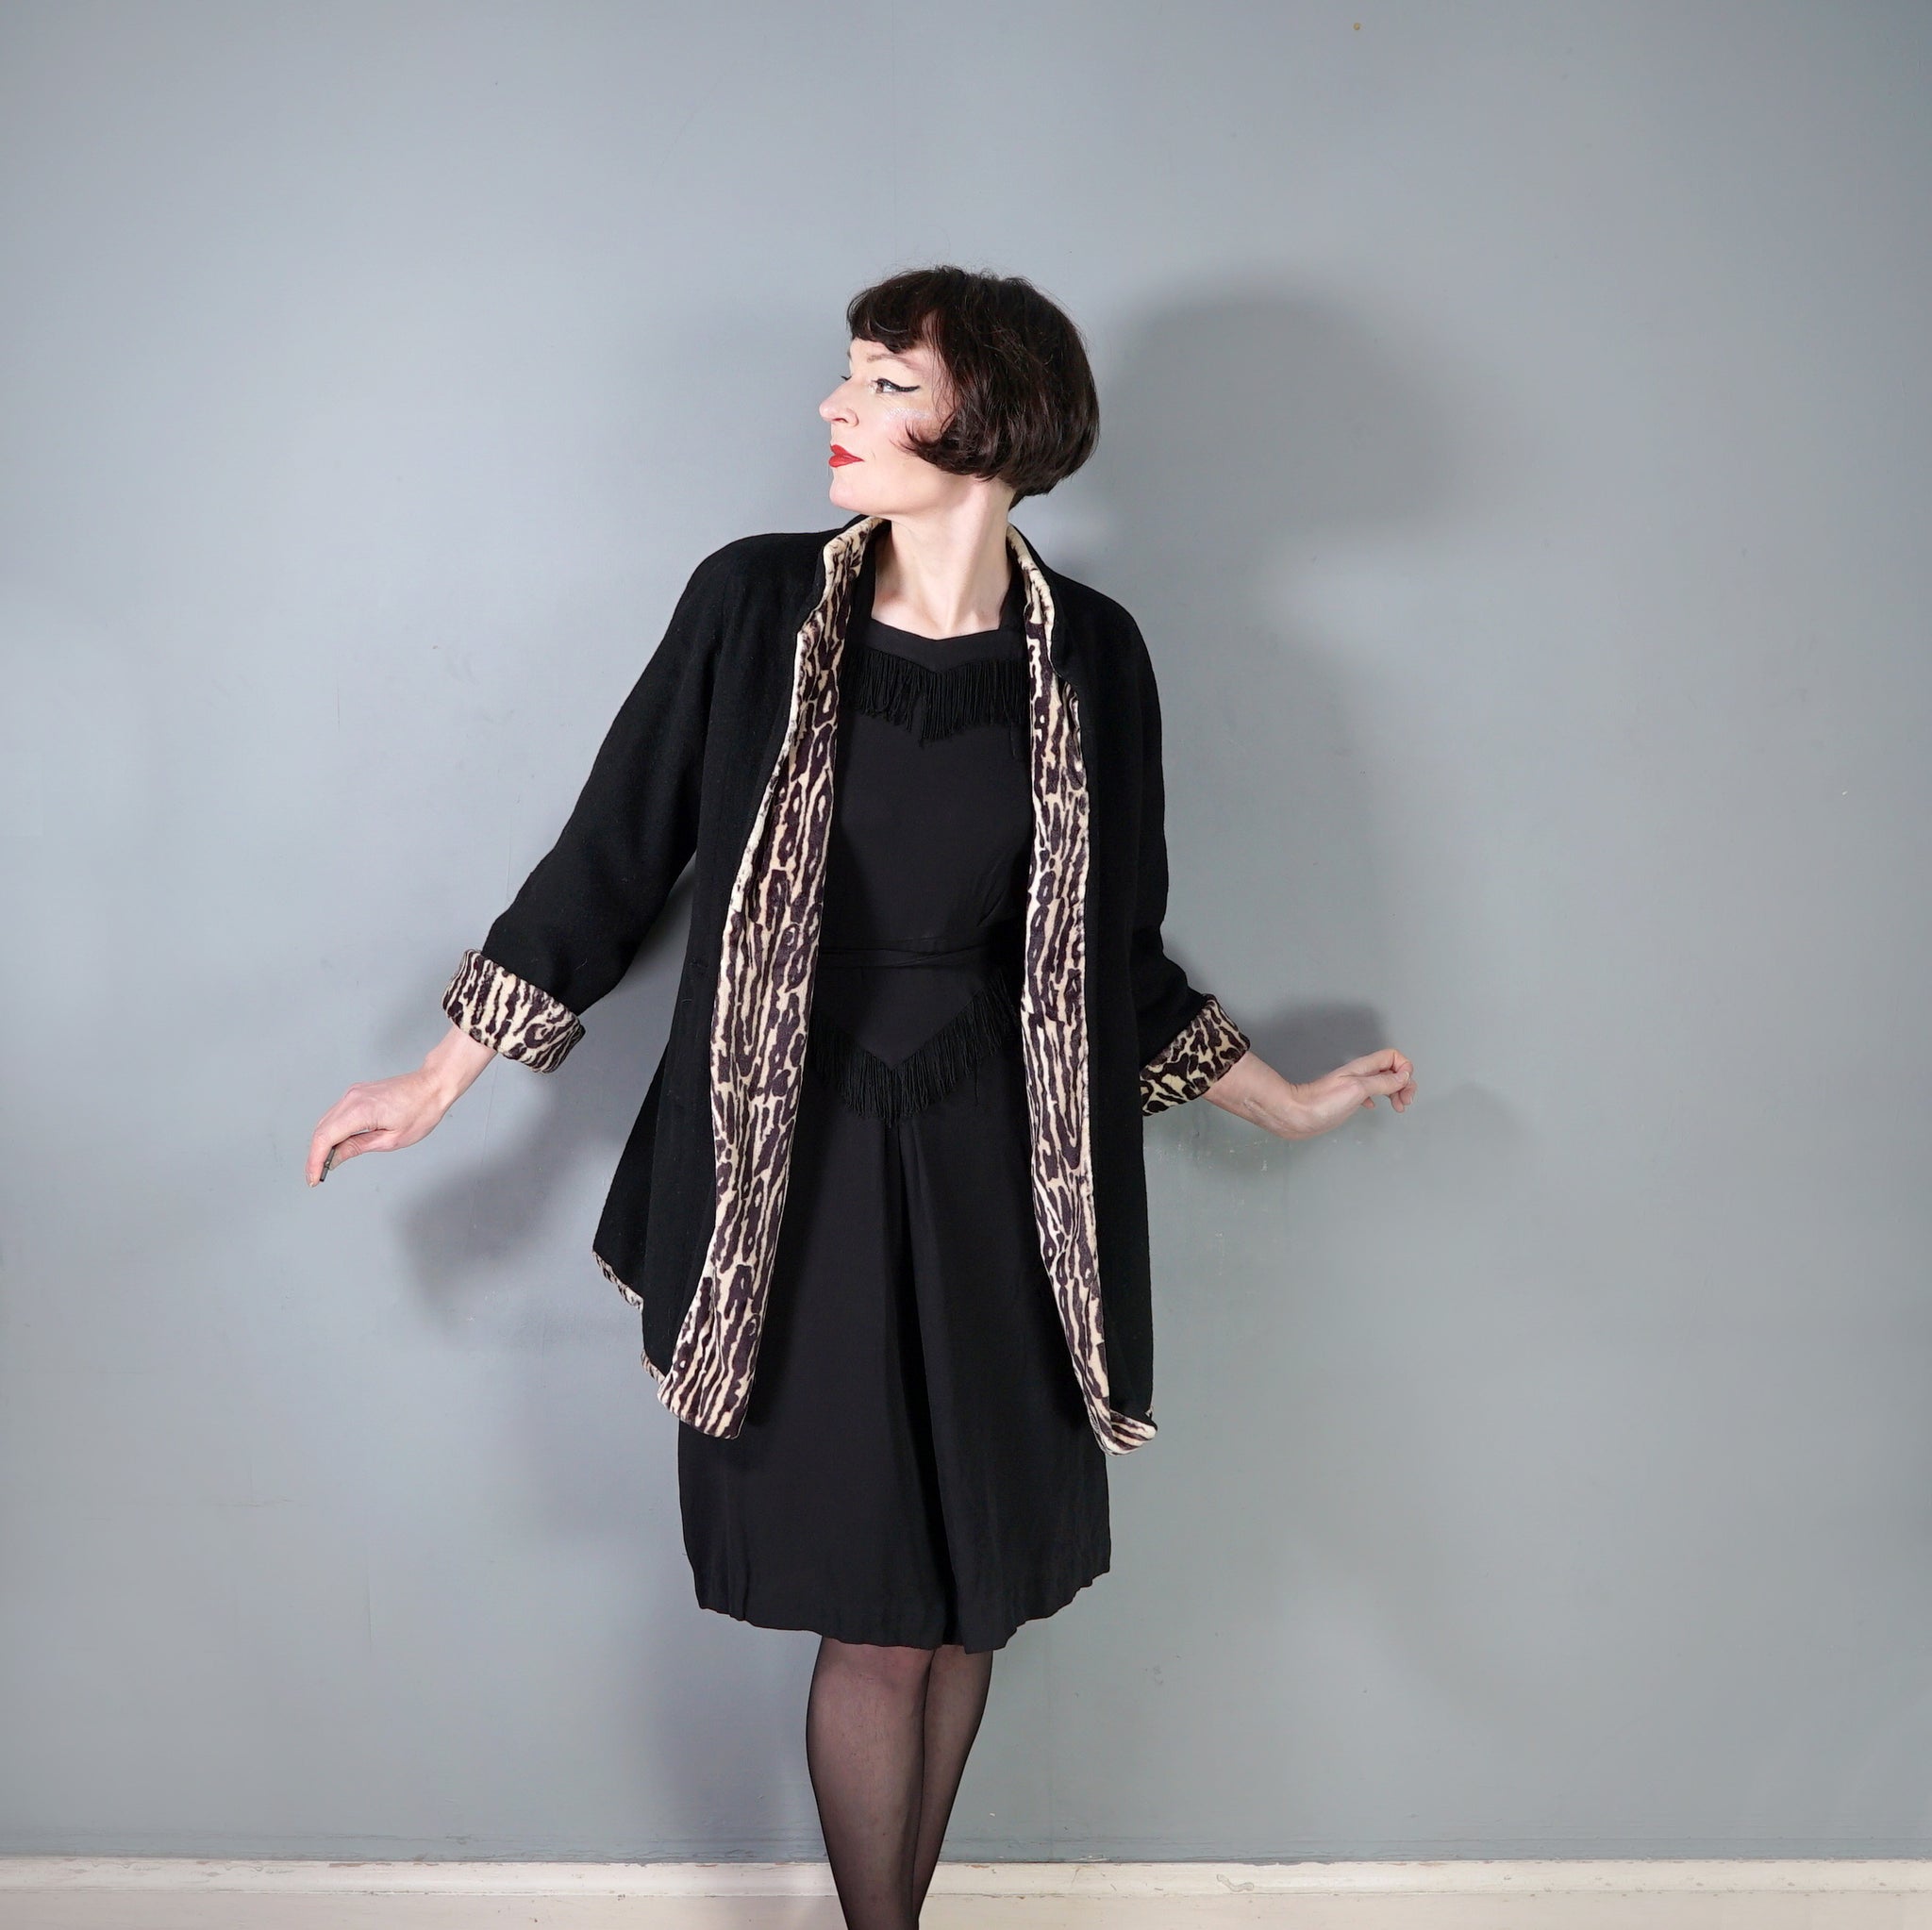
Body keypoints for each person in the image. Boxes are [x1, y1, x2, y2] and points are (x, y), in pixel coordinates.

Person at [306, 264, 1415, 1930]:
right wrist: (440, 1075)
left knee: (968, 1605)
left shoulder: (1094, 658)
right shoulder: (756, 605)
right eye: (852, 375)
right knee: (879, 1618)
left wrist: (1293, 1103)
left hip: (1003, 1180)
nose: (838, 407)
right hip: (797, 1176)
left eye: (888, 383)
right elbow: (611, 860)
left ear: (998, 423)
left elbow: (1115, 955)